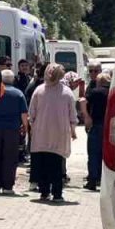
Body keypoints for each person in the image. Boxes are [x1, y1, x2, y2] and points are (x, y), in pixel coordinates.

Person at [28, 63, 78, 202]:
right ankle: (57, 194)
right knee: (56, 165)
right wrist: (73, 131)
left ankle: (44, 193)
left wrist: (32, 128)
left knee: (42, 164)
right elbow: (72, 115)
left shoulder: (38, 90)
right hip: (59, 134)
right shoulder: (67, 92)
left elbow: (31, 113)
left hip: (41, 134)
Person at [0, 69, 29, 194]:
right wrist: (25, 127)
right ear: (13, 80)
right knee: (10, 158)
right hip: (12, 130)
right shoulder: (19, 94)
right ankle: (8, 187)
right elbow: (24, 114)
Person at [82, 71, 111, 191]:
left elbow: (82, 101)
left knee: (93, 154)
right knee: (107, 154)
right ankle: (105, 180)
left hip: (96, 125)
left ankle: (92, 181)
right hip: (110, 127)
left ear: (99, 82)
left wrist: (86, 116)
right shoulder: (113, 92)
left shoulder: (95, 92)